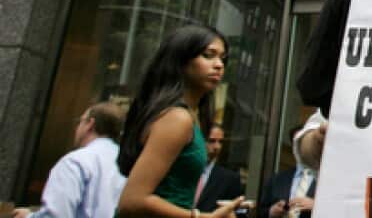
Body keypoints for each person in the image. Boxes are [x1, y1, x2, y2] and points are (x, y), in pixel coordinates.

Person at [116, 25, 244, 218]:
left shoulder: (191, 116)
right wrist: (200, 217)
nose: (219, 65)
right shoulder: (177, 118)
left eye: (222, 58)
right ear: (181, 60)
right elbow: (132, 200)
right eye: (208, 55)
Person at [13, 102, 126, 218]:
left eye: (80, 121)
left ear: (90, 124)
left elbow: (57, 215)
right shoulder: (127, 164)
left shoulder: (75, 162)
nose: (77, 128)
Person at [257, 126, 316, 218]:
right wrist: (271, 212)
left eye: (304, 141)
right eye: (296, 142)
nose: (301, 147)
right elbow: (260, 212)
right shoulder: (277, 180)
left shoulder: (329, 179)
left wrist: (316, 206)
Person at [193, 125, 243, 213]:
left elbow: (239, 212)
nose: (217, 147)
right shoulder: (183, 169)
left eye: (220, 142)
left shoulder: (230, 179)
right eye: (211, 141)